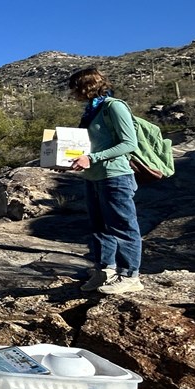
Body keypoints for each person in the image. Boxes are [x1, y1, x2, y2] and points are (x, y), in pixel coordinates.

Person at [66, 66, 143, 295]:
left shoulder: (114, 107)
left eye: (75, 89)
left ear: (86, 86)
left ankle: (130, 275)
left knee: (123, 225)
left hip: (115, 176)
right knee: (99, 226)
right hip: (93, 177)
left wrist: (93, 157)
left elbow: (129, 143)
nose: (73, 94)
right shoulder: (91, 111)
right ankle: (105, 270)